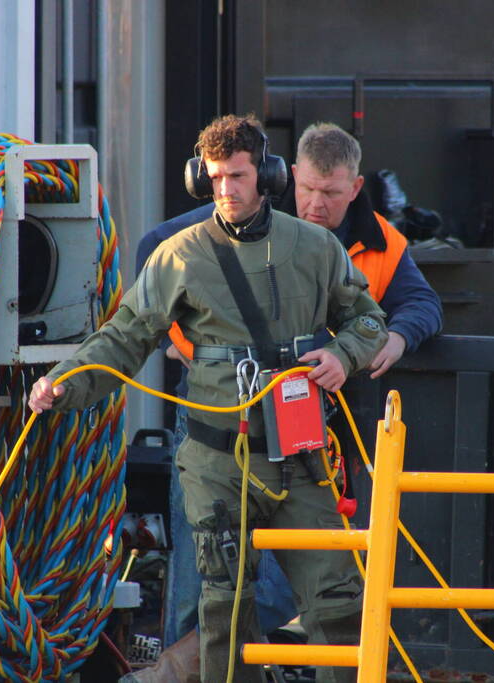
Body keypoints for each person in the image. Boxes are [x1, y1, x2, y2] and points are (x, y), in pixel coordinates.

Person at [30, 113, 388, 683]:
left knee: (338, 600)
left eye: (238, 176)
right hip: (216, 461)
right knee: (223, 611)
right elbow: (124, 336)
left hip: (300, 456)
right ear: (201, 178)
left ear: (267, 175)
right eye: (216, 177)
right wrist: (66, 383)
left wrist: (343, 355)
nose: (227, 189)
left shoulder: (317, 248)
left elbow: (369, 320)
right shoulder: (179, 255)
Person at [137, 122, 443, 656]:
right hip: (219, 423)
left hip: (305, 435)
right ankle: (182, 668)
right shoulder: (207, 228)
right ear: (288, 177)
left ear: (355, 187)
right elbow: (152, 260)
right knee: (204, 581)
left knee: (313, 583)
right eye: (309, 190)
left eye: (332, 193)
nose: (318, 203)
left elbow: (419, 303)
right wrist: (184, 342)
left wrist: (393, 335)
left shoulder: (380, 243)